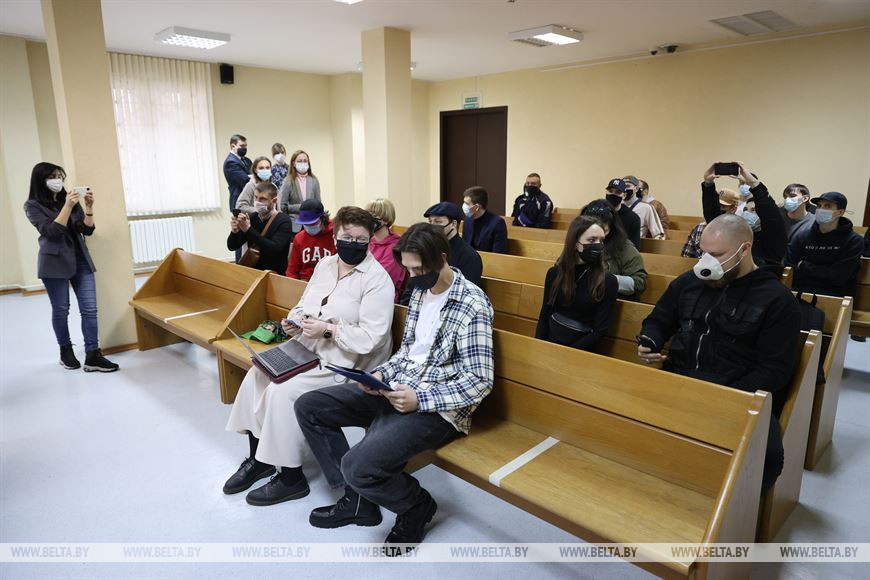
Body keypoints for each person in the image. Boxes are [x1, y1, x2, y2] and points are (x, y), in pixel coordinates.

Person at [294, 222, 494, 550]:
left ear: (442, 258)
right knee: (310, 406)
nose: (413, 278)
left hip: (437, 408)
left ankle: (415, 505)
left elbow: (479, 381)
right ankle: (357, 499)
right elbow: (408, 352)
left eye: (419, 270)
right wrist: (381, 375)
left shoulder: (472, 304)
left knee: (358, 465)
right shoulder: (421, 293)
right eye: (409, 270)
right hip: (398, 389)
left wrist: (420, 398)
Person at [223, 206, 395, 505]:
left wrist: (328, 330)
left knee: (283, 392)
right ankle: (260, 459)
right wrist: (295, 321)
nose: (352, 244)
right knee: (257, 374)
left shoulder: (377, 280)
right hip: (307, 348)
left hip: (344, 362)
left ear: (370, 240)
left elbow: (371, 339)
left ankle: (291, 478)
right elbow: (304, 304)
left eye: (360, 239)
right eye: (346, 237)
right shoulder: (325, 265)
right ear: (335, 236)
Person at [638, 214, 801, 493]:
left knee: (768, 460)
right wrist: (650, 340)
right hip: (678, 379)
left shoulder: (776, 300)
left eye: (716, 255)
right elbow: (659, 319)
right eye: (703, 253)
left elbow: (774, 370)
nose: (706, 262)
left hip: (736, 392)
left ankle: (736, 509)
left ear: (744, 249)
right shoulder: (689, 282)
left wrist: (724, 397)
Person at [23, 162, 119, 372]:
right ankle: (65, 351)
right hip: (54, 262)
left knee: (90, 309)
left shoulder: (70, 199)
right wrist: (66, 206)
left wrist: (89, 208)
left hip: (80, 259)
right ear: (41, 180)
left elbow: (86, 230)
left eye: (59, 176)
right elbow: (52, 232)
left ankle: (93, 355)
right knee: (61, 309)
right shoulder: (32, 206)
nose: (57, 180)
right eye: (52, 176)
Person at [535, 216, 618, 352]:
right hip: (551, 343)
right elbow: (545, 314)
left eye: (601, 240)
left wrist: (567, 354)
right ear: (575, 242)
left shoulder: (608, 281)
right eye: (592, 240)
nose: (598, 245)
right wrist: (539, 347)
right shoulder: (554, 273)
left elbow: (599, 332)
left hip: (581, 351)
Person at [701, 162, 786, 268]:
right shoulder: (738, 235)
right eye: (745, 209)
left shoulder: (772, 236)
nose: (747, 213)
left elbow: (770, 214)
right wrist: (708, 183)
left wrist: (754, 183)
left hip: (761, 276)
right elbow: (715, 221)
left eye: (753, 210)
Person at [787, 191, 863, 298]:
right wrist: (823, 271)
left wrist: (803, 265)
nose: (821, 209)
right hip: (799, 291)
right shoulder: (802, 235)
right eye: (819, 206)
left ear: (840, 212)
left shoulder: (853, 241)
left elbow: (838, 277)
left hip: (834, 296)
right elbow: (790, 266)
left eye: (827, 206)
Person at [581, 199, 648, 297]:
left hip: (608, 298)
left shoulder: (623, 246)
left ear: (610, 228)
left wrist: (608, 280)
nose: (597, 235)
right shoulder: (578, 242)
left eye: (603, 230)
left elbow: (639, 282)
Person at [227, 182, 293, 273]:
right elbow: (232, 246)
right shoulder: (252, 218)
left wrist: (249, 230)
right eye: (256, 197)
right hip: (253, 271)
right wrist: (234, 232)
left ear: (274, 201)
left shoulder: (284, 221)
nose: (257, 202)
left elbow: (274, 249)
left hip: (274, 273)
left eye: (262, 199)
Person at [423, 201, 483, 287]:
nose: (432, 227)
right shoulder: (428, 250)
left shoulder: (469, 256)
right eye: (430, 222)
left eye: (438, 222)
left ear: (453, 224)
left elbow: (467, 290)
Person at [681, 188, 742, 259]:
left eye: (722, 206)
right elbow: (686, 256)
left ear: (733, 209)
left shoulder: (738, 231)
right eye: (716, 205)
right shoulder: (699, 227)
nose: (717, 209)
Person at [366, 198, 407, 302]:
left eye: (374, 215)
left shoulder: (396, 247)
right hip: (364, 294)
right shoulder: (367, 241)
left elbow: (383, 277)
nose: (369, 218)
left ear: (386, 219)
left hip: (383, 298)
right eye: (367, 214)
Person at [285, 199, 334, 281]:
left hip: (329, 281)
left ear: (322, 218)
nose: (309, 227)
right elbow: (292, 271)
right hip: (305, 282)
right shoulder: (299, 238)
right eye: (306, 224)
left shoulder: (335, 234)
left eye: (313, 223)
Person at [278, 150, 321, 234]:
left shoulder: (314, 180)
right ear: (294, 163)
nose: (303, 163)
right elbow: (282, 206)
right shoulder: (288, 181)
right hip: (294, 225)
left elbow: (318, 204)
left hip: (312, 224)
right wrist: (300, 207)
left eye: (305, 161)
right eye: (300, 161)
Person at [462, 186, 508, 254]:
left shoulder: (497, 223)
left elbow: (498, 253)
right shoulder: (467, 220)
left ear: (477, 207)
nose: (464, 206)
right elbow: (464, 246)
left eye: (467, 204)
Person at [623, 175, 665, 239]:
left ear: (636, 189)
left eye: (628, 186)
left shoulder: (646, 207)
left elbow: (659, 234)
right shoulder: (617, 206)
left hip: (637, 244)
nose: (625, 189)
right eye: (623, 186)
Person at [604, 178, 641, 249]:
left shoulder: (632, 218)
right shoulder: (598, 211)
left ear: (624, 195)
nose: (613, 194)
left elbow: (634, 247)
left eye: (618, 192)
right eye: (610, 191)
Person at [223, 134, 251, 211]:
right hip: (239, 201)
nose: (244, 148)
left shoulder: (247, 160)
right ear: (233, 146)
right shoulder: (231, 162)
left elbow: (253, 175)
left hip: (249, 200)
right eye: (242, 146)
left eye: (246, 146)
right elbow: (246, 180)